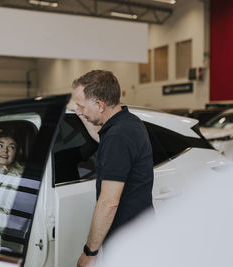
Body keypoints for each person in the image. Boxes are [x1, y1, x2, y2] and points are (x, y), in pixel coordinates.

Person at [70, 70, 154, 267]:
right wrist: (81, 114)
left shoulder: (118, 137)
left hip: (127, 243)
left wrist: (89, 252)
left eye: (82, 106)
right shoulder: (127, 123)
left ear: (100, 105)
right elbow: (102, 138)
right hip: (139, 235)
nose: (80, 110)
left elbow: (108, 203)